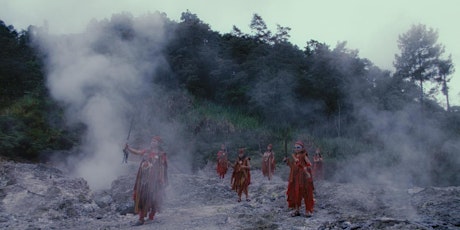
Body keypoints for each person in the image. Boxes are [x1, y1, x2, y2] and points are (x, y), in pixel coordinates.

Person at [124, 135, 168, 226]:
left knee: (155, 198)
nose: (152, 142)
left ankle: (151, 216)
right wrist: (128, 148)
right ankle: (141, 218)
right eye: (152, 141)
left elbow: (163, 167)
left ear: (158, 143)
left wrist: (161, 178)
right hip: (144, 180)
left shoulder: (161, 154)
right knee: (142, 198)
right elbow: (137, 152)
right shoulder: (147, 151)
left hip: (155, 181)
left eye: (155, 141)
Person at [284, 140, 314, 217]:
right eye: (295, 147)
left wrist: (305, 169)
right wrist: (288, 162)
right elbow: (293, 167)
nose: (296, 149)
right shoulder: (295, 156)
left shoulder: (304, 155)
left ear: (302, 148)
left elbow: (309, 165)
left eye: (298, 147)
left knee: (306, 193)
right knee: (296, 194)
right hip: (296, 178)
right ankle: (297, 210)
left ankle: (308, 211)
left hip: (303, 178)